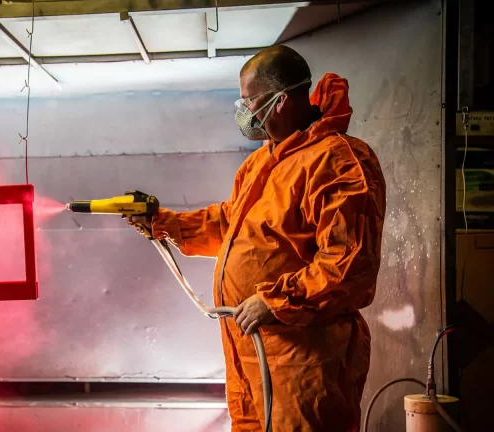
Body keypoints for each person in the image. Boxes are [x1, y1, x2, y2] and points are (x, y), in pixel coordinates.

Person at [129, 45, 386, 431]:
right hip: (252, 353)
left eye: (248, 101)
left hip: (303, 361)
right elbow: (232, 224)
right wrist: (163, 223)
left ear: (280, 101)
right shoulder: (263, 162)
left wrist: (275, 301)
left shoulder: (336, 161)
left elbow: (349, 262)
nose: (243, 111)